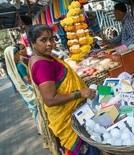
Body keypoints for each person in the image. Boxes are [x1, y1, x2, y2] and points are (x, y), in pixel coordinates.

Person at [27, 24, 100, 154]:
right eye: (43, 40)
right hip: (69, 122)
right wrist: (80, 93)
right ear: (33, 43)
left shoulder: (43, 58)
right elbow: (50, 99)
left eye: (51, 39)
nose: (49, 44)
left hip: (73, 116)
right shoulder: (42, 65)